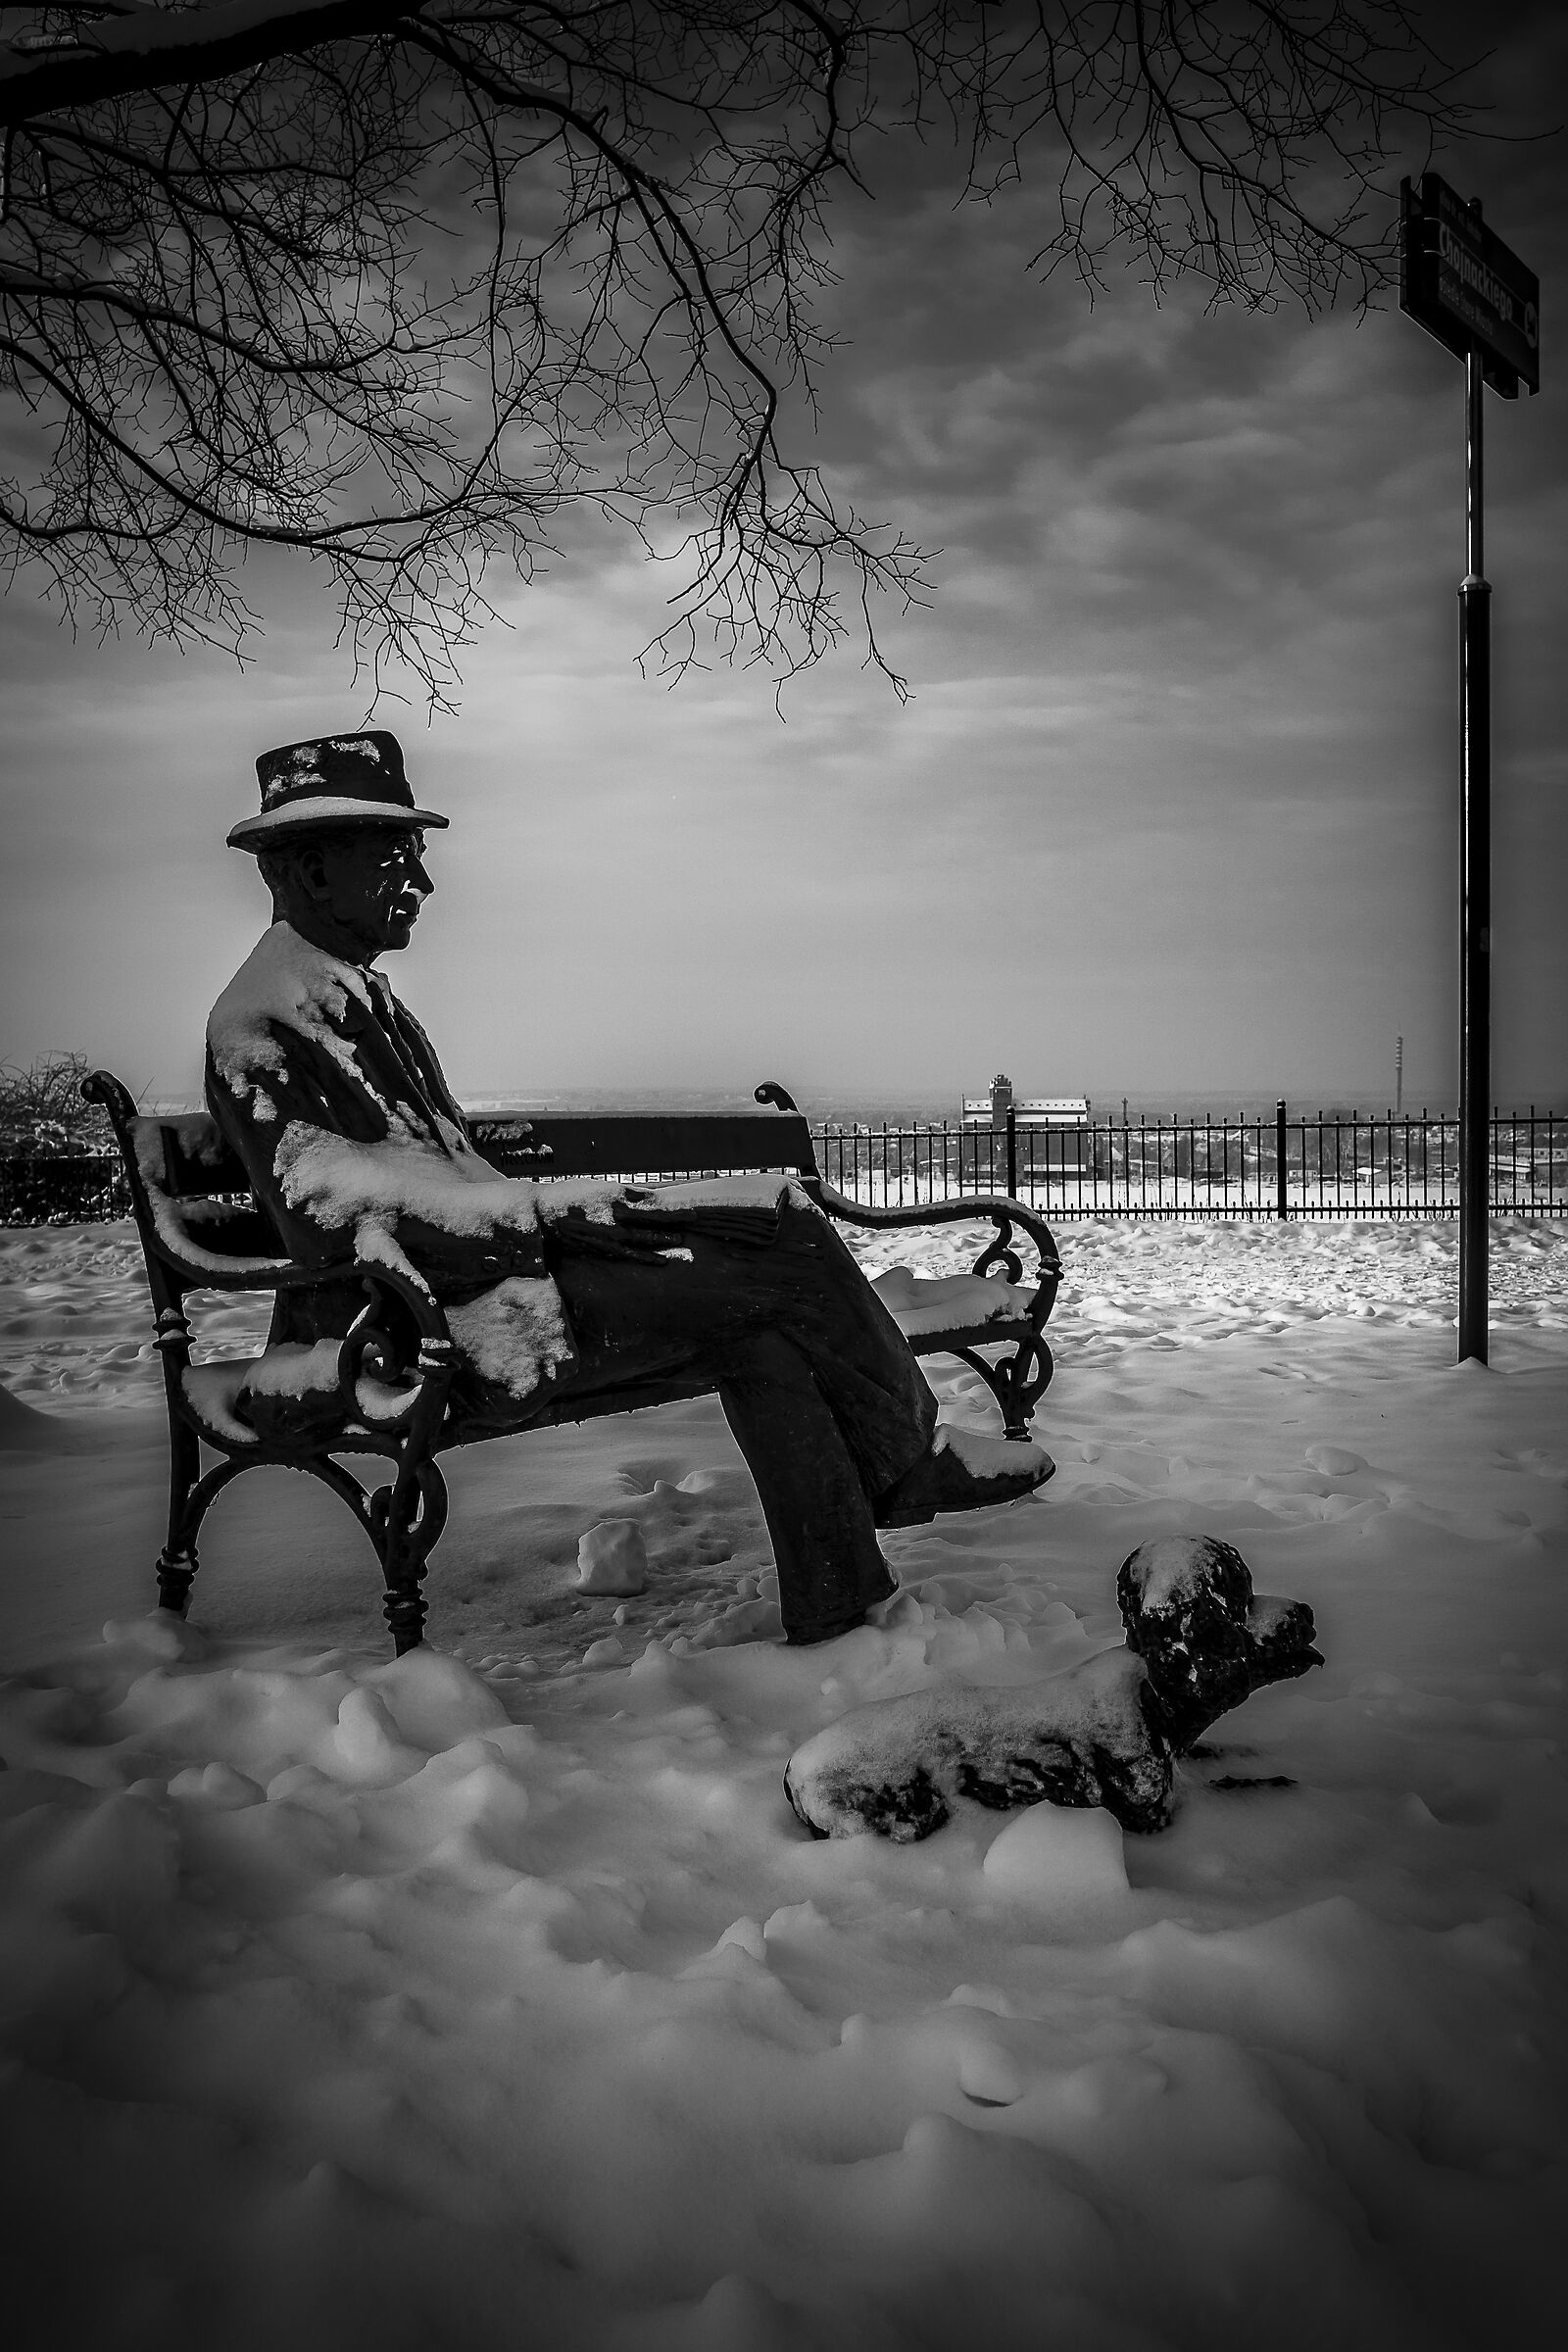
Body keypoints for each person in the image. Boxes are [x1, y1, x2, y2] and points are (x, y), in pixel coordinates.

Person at [206, 733, 1054, 1643]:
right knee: (779, 1250)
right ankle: (908, 1462)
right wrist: (556, 1217)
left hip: (483, 1291)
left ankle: (840, 1589)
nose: (423, 880)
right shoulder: (264, 1017)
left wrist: (570, 1219)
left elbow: (432, 1183)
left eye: (416, 854)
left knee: (775, 1250)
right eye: (394, 855)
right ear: (307, 869)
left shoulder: (360, 1002)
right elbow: (339, 1212)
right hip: (403, 1334)